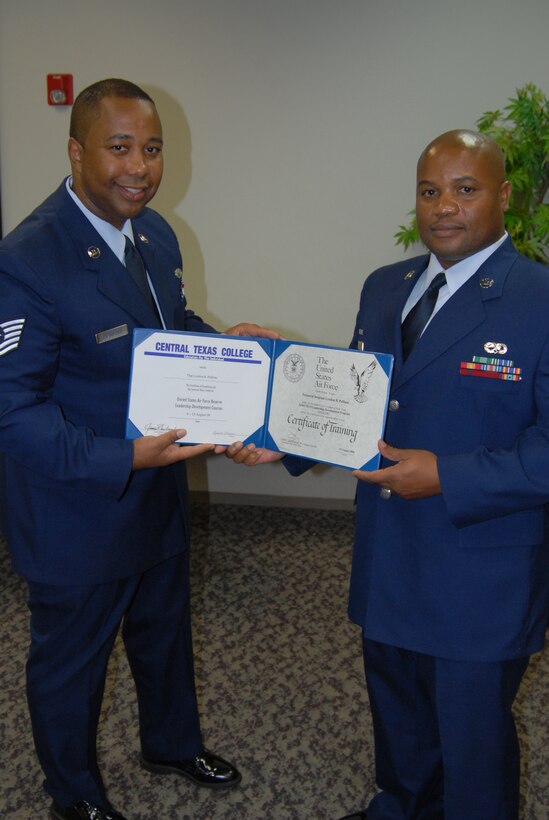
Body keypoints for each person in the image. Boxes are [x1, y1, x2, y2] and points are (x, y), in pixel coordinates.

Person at [226, 130, 549, 819]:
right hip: (390, 558)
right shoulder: (386, 287)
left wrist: (447, 476)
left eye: (465, 190)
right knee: (398, 724)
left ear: (504, 196)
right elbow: (353, 404)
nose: (443, 208)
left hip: (479, 574)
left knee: (471, 747)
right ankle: (399, 808)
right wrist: (281, 440)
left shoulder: (538, 301)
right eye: (429, 191)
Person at [0, 78, 278, 820]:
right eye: (119, 147)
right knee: (71, 663)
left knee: (163, 635)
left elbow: (171, 326)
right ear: (75, 150)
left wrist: (232, 356)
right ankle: (72, 795)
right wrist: (120, 460)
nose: (139, 167)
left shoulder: (154, 233)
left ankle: (170, 742)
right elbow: (10, 409)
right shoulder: (29, 257)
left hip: (157, 491)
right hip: (78, 506)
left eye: (151, 149)